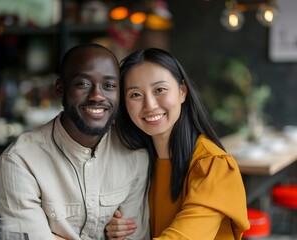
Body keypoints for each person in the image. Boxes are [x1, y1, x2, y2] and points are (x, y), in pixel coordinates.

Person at [0, 43, 150, 240]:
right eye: (83, 84)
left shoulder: (135, 154)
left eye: (109, 85)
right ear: (60, 89)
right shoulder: (21, 161)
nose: (97, 95)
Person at [106, 48, 250, 239]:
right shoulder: (138, 161)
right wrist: (114, 227)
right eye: (135, 95)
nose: (150, 105)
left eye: (159, 90)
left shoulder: (213, 165)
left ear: (182, 91)